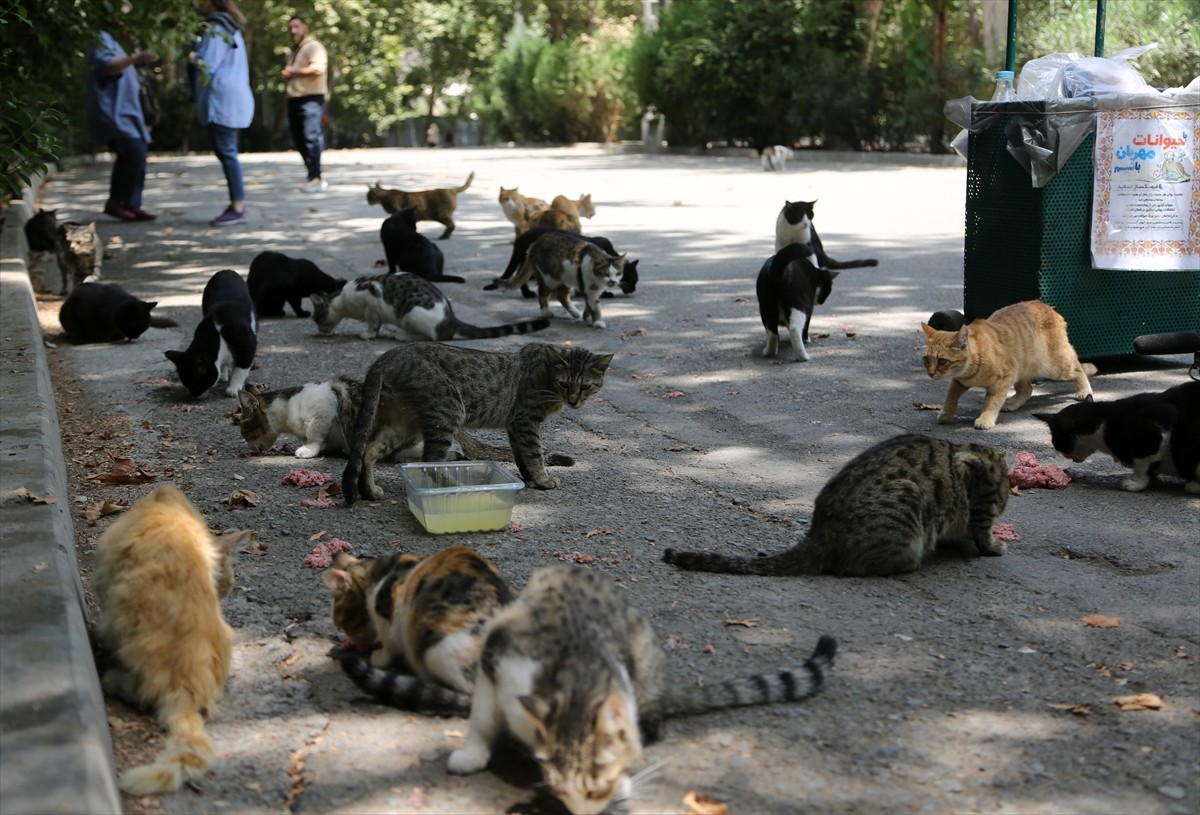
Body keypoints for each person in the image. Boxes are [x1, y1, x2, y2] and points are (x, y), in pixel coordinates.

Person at [86, 2, 157, 222]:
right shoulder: (98, 37)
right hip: (112, 111)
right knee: (132, 151)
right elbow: (108, 66)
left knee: (139, 152)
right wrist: (134, 58)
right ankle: (116, 202)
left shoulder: (115, 39)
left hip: (129, 112)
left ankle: (131, 204)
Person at [190, 0, 254, 227]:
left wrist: (192, 56)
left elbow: (207, 64)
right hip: (231, 99)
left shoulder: (217, 28)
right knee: (228, 151)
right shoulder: (230, 26)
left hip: (222, 100)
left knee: (227, 153)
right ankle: (236, 204)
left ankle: (237, 206)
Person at [281, 16, 329, 193]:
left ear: (305, 27)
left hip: (311, 99)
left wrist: (295, 71)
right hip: (295, 100)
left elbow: (319, 69)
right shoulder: (296, 50)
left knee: (311, 137)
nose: (293, 31)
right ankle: (312, 175)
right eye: (291, 28)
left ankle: (316, 178)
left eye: (297, 26)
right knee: (299, 139)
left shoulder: (313, 46)